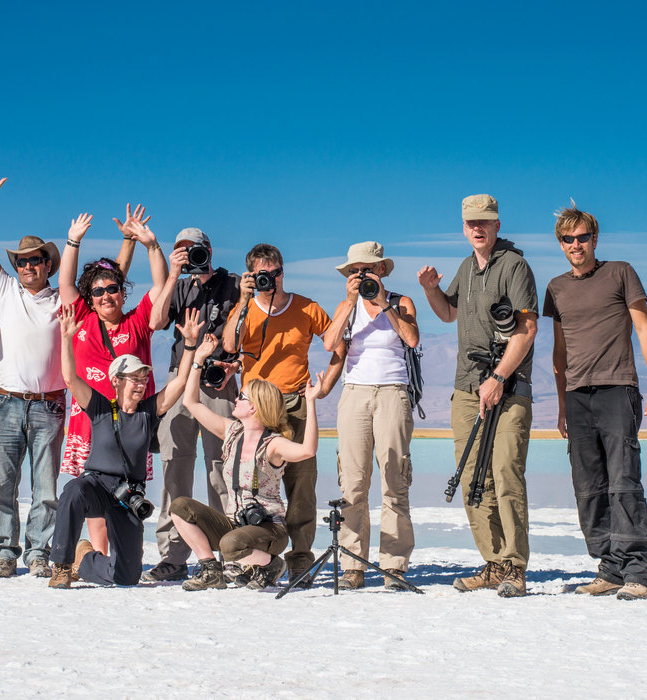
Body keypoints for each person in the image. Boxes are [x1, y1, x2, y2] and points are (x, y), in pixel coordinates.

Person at [544, 205, 647, 601]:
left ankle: (636, 570)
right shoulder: (556, 288)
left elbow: (643, 326)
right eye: (568, 239)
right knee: (588, 486)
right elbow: (559, 351)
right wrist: (562, 403)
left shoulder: (620, 272)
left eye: (582, 238)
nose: (576, 245)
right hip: (577, 396)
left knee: (623, 482)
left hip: (617, 388)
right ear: (560, 244)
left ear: (595, 239)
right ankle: (609, 567)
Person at [417, 194, 538, 598]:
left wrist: (500, 376)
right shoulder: (466, 268)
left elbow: (527, 329)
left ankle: (515, 567)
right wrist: (432, 290)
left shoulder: (515, 266)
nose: (478, 228)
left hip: (508, 389)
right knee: (472, 477)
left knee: (505, 473)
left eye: (485, 222)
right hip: (466, 388)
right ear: (464, 227)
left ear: (498, 225)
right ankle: (494, 562)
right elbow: (448, 313)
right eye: (471, 223)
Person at [47, 306, 202, 589]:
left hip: (128, 493)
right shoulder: (100, 407)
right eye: (134, 378)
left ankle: (85, 561)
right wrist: (66, 338)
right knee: (72, 491)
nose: (141, 384)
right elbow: (70, 378)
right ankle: (60, 564)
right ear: (116, 380)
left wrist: (190, 345)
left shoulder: (148, 411)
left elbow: (179, 382)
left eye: (144, 379)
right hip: (96, 485)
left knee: (127, 577)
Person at [0, 161, 67, 579]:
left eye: (36, 260)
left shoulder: (63, 299)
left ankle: (39, 552)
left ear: (48, 264)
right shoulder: (5, 289)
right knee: (2, 486)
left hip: (49, 406)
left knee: (45, 489)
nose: (28, 266)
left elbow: (109, 281)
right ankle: (5, 553)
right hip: (6, 404)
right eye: (23, 261)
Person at [58, 204, 171, 555]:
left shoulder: (137, 320)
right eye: (98, 291)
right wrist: (72, 242)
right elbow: (64, 282)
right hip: (92, 417)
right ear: (89, 298)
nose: (106, 295)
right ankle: (98, 550)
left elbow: (161, 284)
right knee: (93, 485)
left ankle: (119, 551)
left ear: (123, 292)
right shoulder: (82, 318)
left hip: (133, 419)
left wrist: (151, 245)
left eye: (113, 289)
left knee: (127, 485)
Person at [170, 339, 325, 591]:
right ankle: (211, 569)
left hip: (269, 529)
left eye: (241, 396)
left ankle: (271, 565)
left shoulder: (273, 445)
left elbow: (308, 450)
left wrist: (312, 402)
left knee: (231, 545)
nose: (235, 398)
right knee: (180, 507)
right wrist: (198, 360)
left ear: (253, 407)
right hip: (236, 524)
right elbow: (191, 402)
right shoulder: (231, 431)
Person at [221, 244, 332, 586]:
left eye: (275, 271)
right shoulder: (245, 309)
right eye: (261, 273)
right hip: (255, 407)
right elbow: (229, 346)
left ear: (283, 271)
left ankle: (299, 559)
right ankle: (257, 557)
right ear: (251, 275)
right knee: (250, 484)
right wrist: (242, 300)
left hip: (294, 405)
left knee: (300, 486)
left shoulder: (307, 308)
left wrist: (325, 385)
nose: (270, 278)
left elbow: (338, 346)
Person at [141, 228, 242, 583]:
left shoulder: (233, 283)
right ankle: (173, 555)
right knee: (174, 466)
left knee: (223, 466)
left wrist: (235, 366)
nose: (191, 256)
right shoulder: (180, 287)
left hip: (220, 378)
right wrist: (172, 273)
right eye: (182, 251)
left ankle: (231, 552)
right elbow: (155, 322)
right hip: (181, 378)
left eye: (195, 250)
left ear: (210, 250)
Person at [320, 241, 420, 590]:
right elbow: (330, 344)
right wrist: (350, 303)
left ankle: (394, 565)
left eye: (367, 269)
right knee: (353, 481)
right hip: (355, 393)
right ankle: (353, 565)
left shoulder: (401, 301)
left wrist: (384, 304)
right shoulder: (345, 306)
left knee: (395, 480)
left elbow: (411, 338)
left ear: (381, 270)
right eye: (355, 271)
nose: (361, 275)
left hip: (393, 391)